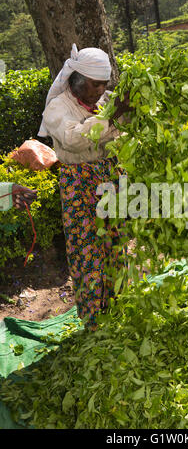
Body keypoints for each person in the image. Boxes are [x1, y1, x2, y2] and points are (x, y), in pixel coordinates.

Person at [39, 44, 131, 331]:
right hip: (79, 182)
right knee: (86, 248)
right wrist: (113, 116)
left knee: (114, 244)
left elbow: (123, 128)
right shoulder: (58, 107)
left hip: (108, 177)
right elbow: (74, 140)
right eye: (95, 84)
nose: (100, 89)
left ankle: (116, 305)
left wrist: (129, 111)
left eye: (105, 84)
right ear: (77, 79)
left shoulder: (106, 101)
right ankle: (93, 319)